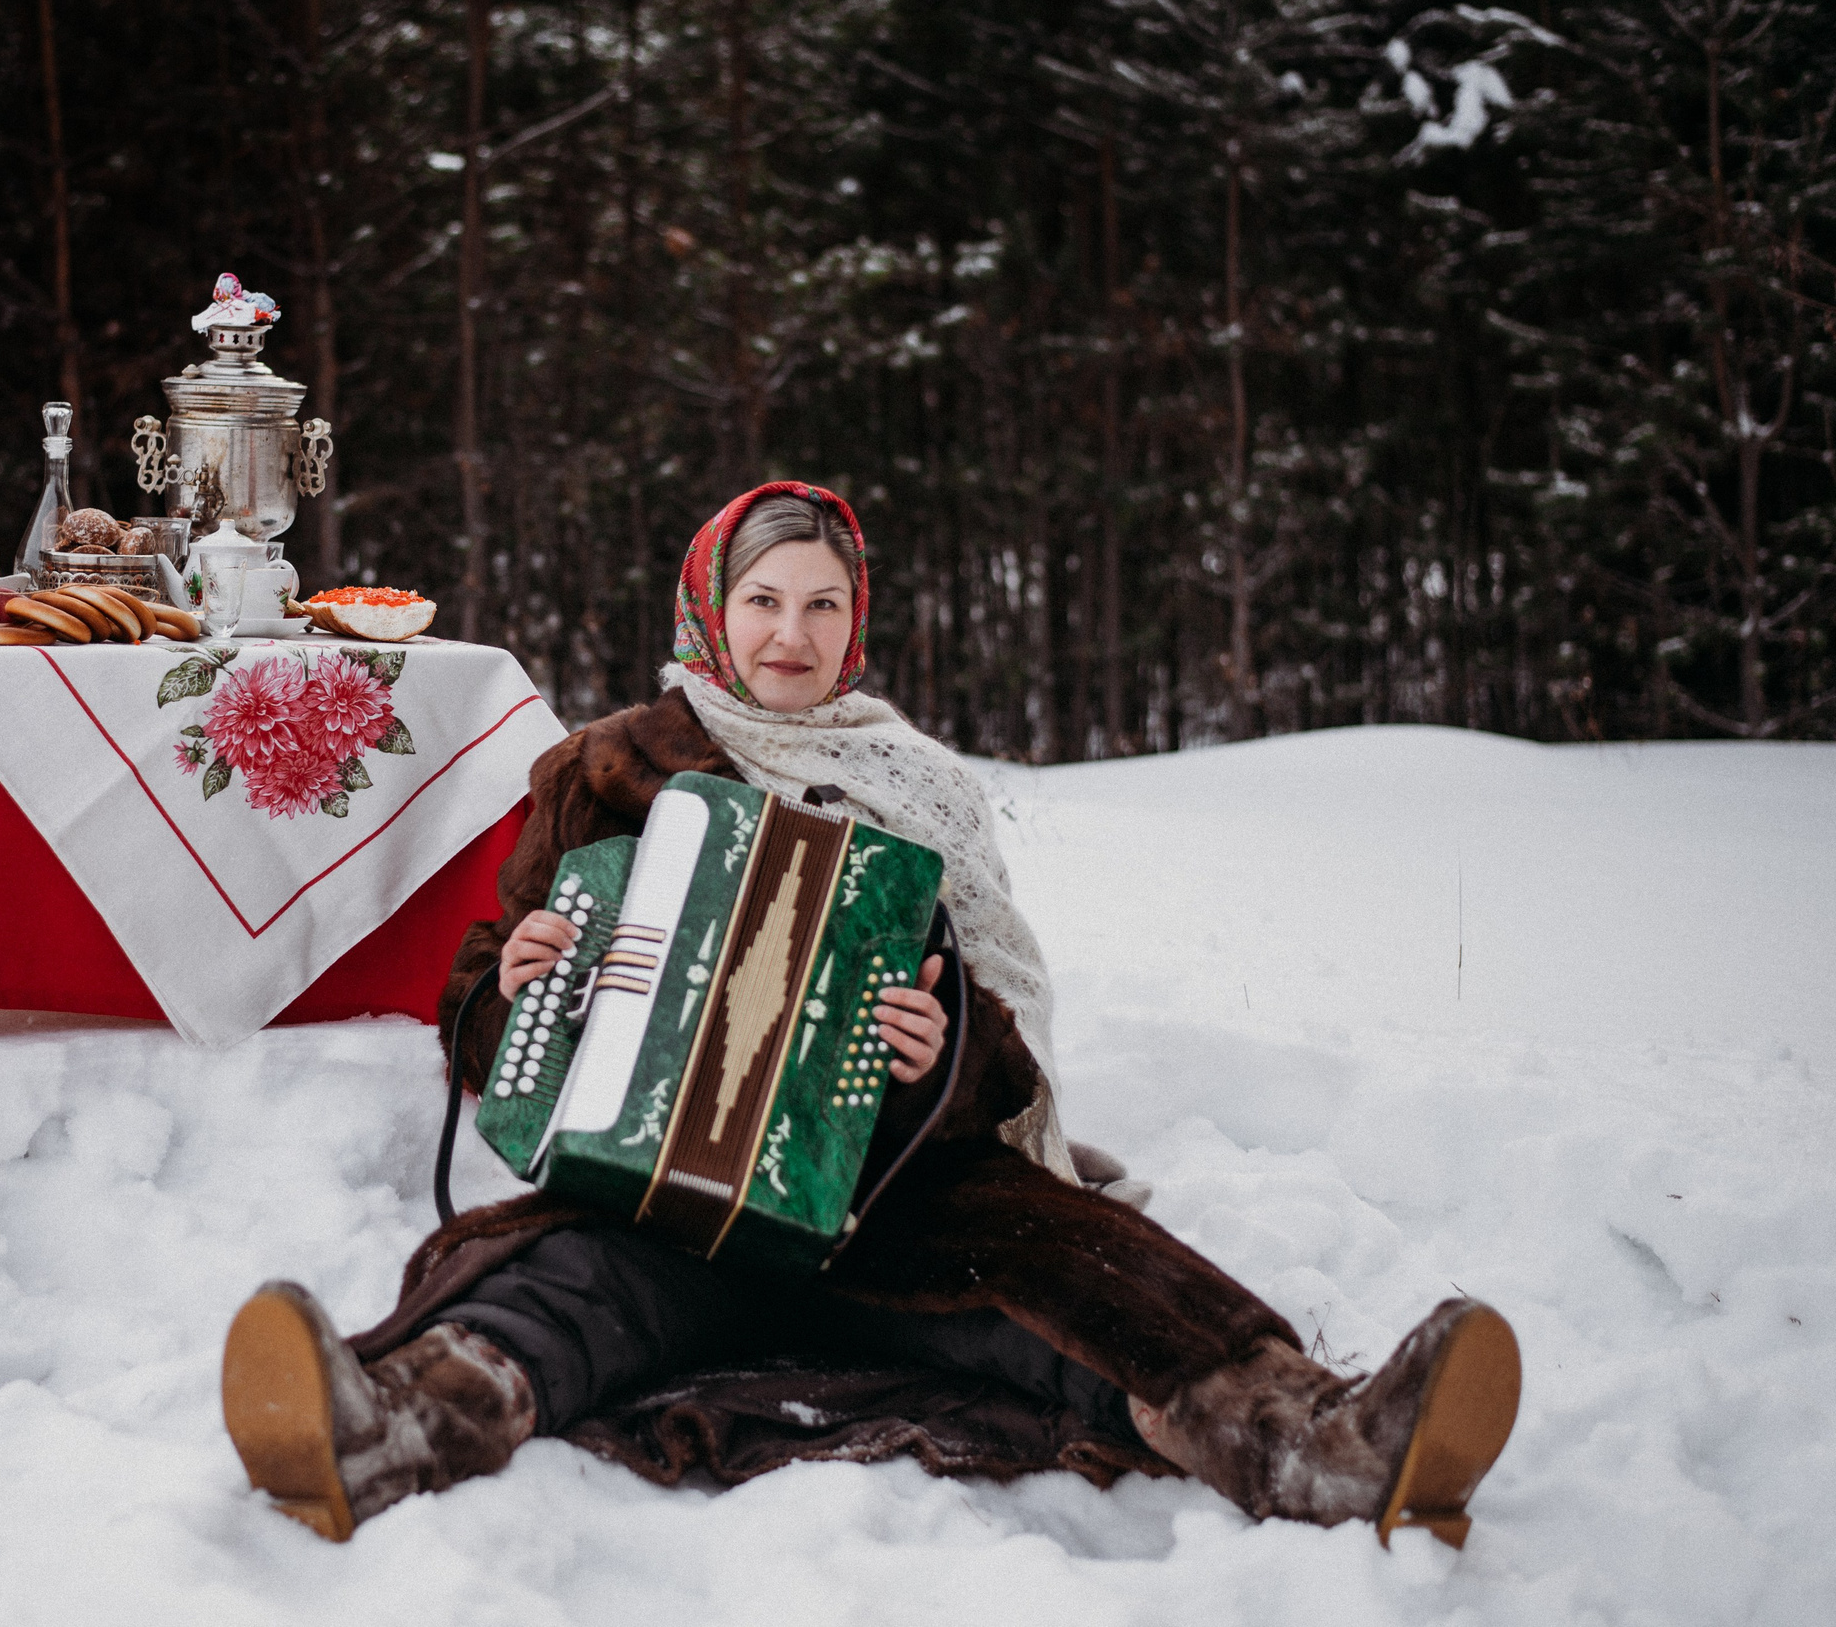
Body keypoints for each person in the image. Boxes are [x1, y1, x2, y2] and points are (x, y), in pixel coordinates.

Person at [219, 482, 1521, 1547]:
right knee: (557, 1287)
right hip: (660, 1202)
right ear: (711, 609)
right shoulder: (606, 772)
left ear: (856, 625)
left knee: (1073, 1263)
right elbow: (482, 1016)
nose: (790, 633)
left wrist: (941, 1052)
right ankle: (385, 1431)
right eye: (762, 600)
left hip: (885, 1201)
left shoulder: (917, 791)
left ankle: (1317, 1444)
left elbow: (1000, 1045)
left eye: (822, 605)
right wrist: (515, 984)